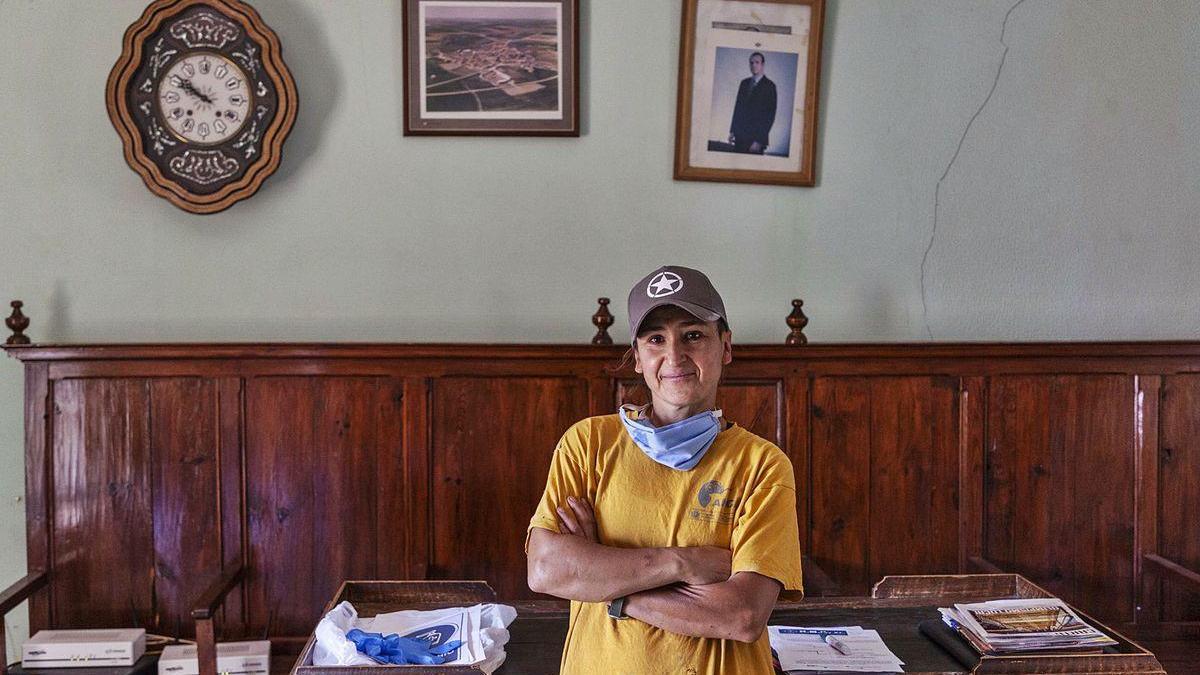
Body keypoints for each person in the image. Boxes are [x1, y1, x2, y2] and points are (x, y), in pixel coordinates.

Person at [525, 266, 804, 675]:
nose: (674, 356)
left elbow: (742, 616)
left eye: (693, 335)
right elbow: (547, 569)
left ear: (725, 347)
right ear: (637, 358)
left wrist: (607, 585)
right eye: (656, 339)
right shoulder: (587, 444)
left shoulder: (762, 465)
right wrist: (683, 563)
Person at [728, 52, 777, 154]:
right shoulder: (744, 83)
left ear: (762, 65)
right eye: (751, 62)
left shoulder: (770, 86)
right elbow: (738, 108)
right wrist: (732, 131)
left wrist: (759, 141)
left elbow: (770, 116)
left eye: (757, 62)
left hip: (755, 140)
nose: (753, 65)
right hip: (740, 136)